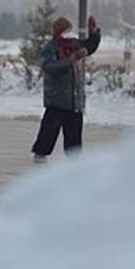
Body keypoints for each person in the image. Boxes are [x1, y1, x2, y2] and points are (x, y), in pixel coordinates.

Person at [31, 15, 101, 163]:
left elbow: (90, 46)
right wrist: (72, 59)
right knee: (49, 129)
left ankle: (74, 157)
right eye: (66, 31)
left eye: (70, 30)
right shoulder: (50, 48)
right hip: (57, 98)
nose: (69, 34)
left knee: (74, 129)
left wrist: (94, 32)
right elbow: (50, 67)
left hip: (73, 98)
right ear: (59, 32)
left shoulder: (73, 44)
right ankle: (41, 153)